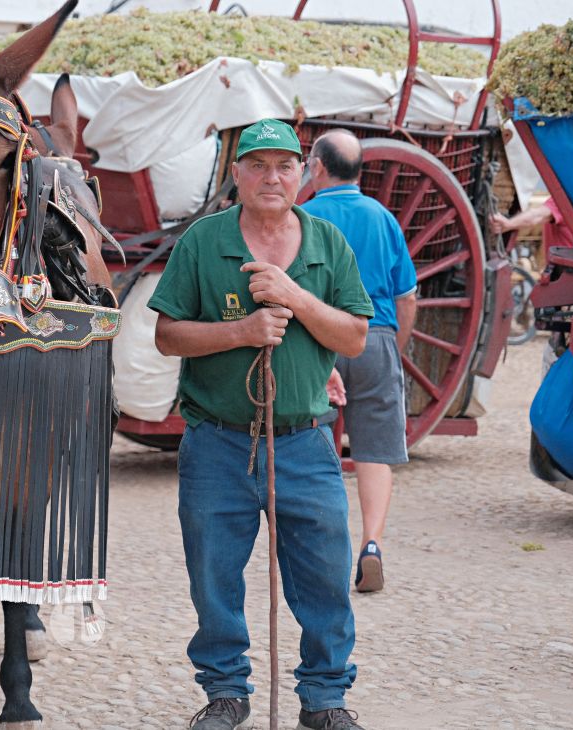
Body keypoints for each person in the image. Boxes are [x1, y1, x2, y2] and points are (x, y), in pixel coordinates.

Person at [149, 118, 373, 730]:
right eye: (257, 165)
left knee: (325, 577)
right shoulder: (203, 241)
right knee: (214, 576)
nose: (272, 177)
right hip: (217, 442)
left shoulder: (328, 242)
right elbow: (167, 336)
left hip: (304, 441)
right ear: (237, 174)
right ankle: (226, 694)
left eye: (285, 165)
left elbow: (354, 337)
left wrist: (295, 298)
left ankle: (325, 699)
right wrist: (242, 332)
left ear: (304, 174)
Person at [300, 129, 417, 593]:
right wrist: (392, 347)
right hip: (376, 337)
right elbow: (407, 297)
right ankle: (371, 543)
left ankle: (324, 550)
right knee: (374, 453)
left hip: (316, 342)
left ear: (319, 168)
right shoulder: (383, 218)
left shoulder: (302, 218)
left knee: (312, 446)